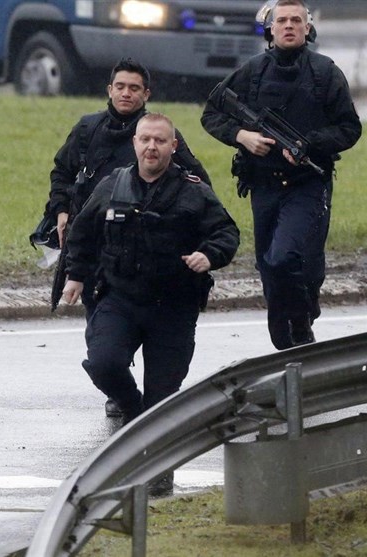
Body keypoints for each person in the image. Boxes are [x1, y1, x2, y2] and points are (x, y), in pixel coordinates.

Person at [62, 113, 240, 495]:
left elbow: (226, 232)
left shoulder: (194, 191)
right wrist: (75, 276)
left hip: (173, 307)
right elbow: (83, 232)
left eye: (160, 140)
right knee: (103, 363)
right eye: (145, 139)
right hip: (120, 298)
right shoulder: (113, 185)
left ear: (173, 146)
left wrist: (208, 255)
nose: (151, 147)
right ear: (135, 143)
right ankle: (132, 408)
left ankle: (159, 479)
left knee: (164, 399)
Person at [45, 57, 211, 417]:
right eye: (120, 86)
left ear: (146, 94)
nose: (126, 93)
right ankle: (119, 388)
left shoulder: (163, 136)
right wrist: (61, 210)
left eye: (134, 88)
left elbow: (201, 186)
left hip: (150, 250)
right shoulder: (88, 130)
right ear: (109, 90)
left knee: (159, 353)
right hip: (97, 244)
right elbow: (62, 171)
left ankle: (146, 401)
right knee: (104, 336)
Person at [201, 0, 361, 350]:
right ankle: (288, 339)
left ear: (307, 28)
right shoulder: (252, 71)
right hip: (263, 184)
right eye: (282, 20)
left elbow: (349, 128)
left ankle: (299, 324)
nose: (289, 25)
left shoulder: (325, 72)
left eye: (296, 20)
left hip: (308, 183)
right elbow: (212, 113)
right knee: (269, 266)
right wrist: (242, 136)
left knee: (291, 259)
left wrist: (309, 144)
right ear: (270, 29)